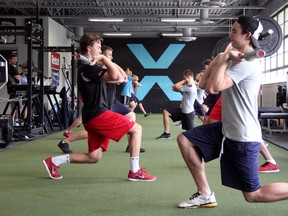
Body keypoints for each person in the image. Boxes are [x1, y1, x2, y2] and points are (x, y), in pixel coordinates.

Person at [177, 15, 288, 209]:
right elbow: (202, 84)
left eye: (235, 31)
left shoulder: (246, 64)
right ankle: (205, 194)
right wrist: (222, 57)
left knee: (253, 195)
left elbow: (213, 87)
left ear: (248, 35)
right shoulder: (235, 61)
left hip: (242, 137)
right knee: (185, 140)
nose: (230, 34)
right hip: (227, 130)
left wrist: (226, 57)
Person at [43, 33, 155, 181]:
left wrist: (104, 60)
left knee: (94, 157)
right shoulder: (87, 69)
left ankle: (54, 162)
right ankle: (135, 171)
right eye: (98, 47)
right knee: (137, 129)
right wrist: (103, 59)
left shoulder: (94, 67)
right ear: (89, 48)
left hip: (93, 116)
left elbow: (122, 78)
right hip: (98, 114)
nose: (100, 51)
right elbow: (116, 77)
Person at [58, 45, 145, 154]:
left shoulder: (108, 66)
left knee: (131, 115)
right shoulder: (98, 70)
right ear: (100, 55)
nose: (112, 57)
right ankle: (66, 140)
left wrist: (108, 61)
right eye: (109, 55)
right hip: (102, 105)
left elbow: (124, 78)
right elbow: (119, 79)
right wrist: (104, 60)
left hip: (113, 102)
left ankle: (130, 145)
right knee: (92, 129)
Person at [206, 95, 280, 173]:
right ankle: (268, 159)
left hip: (234, 96)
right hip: (230, 95)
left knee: (214, 125)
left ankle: (270, 160)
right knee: (215, 125)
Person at [156, 69, 197, 139]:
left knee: (192, 135)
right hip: (182, 111)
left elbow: (175, 86)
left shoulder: (191, 88)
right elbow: (174, 88)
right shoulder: (188, 86)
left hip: (188, 114)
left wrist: (184, 81)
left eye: (184, 78)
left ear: (189, 77)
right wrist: (185, 82)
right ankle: (167, 133)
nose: (184, 80)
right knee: (166, 112)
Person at [7, 53, 21, 126]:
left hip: (13, 89)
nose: (16, 60)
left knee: (16, 106)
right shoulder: (11, 68)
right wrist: (22, 75)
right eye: (14, 59)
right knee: (14, 106)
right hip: (14, 89)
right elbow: (19, 78)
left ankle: (16, 121)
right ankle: (12, 122)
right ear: (10, 59)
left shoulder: (11, 67)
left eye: (16, 59)